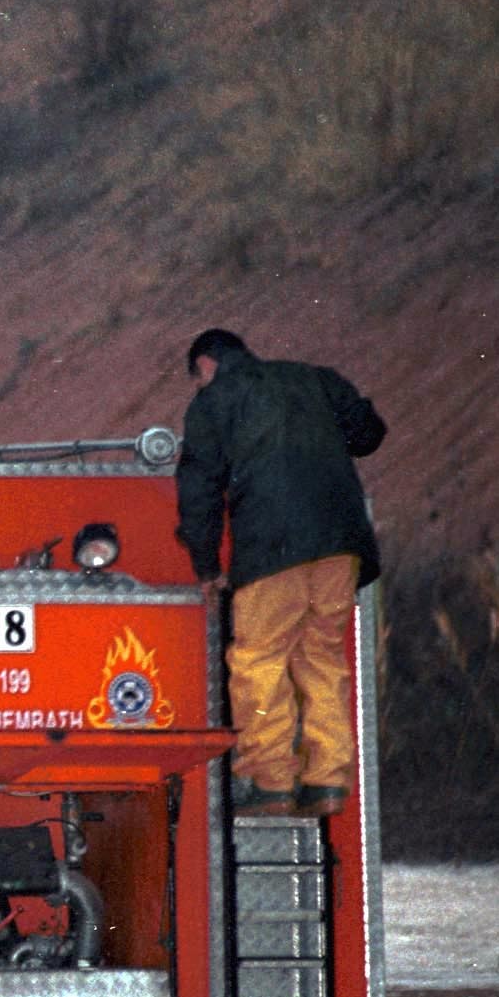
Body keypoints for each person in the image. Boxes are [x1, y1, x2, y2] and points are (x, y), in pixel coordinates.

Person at [176, 328, 387, 819]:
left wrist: (206, 567)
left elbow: (199, 491)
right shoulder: (314, 379)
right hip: (341, 545)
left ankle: (271, 783)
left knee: (259, 660)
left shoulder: (215, 398)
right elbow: (369, 434)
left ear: (206, 364)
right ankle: (327, 780)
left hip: (273, 546)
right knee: (321, 657)